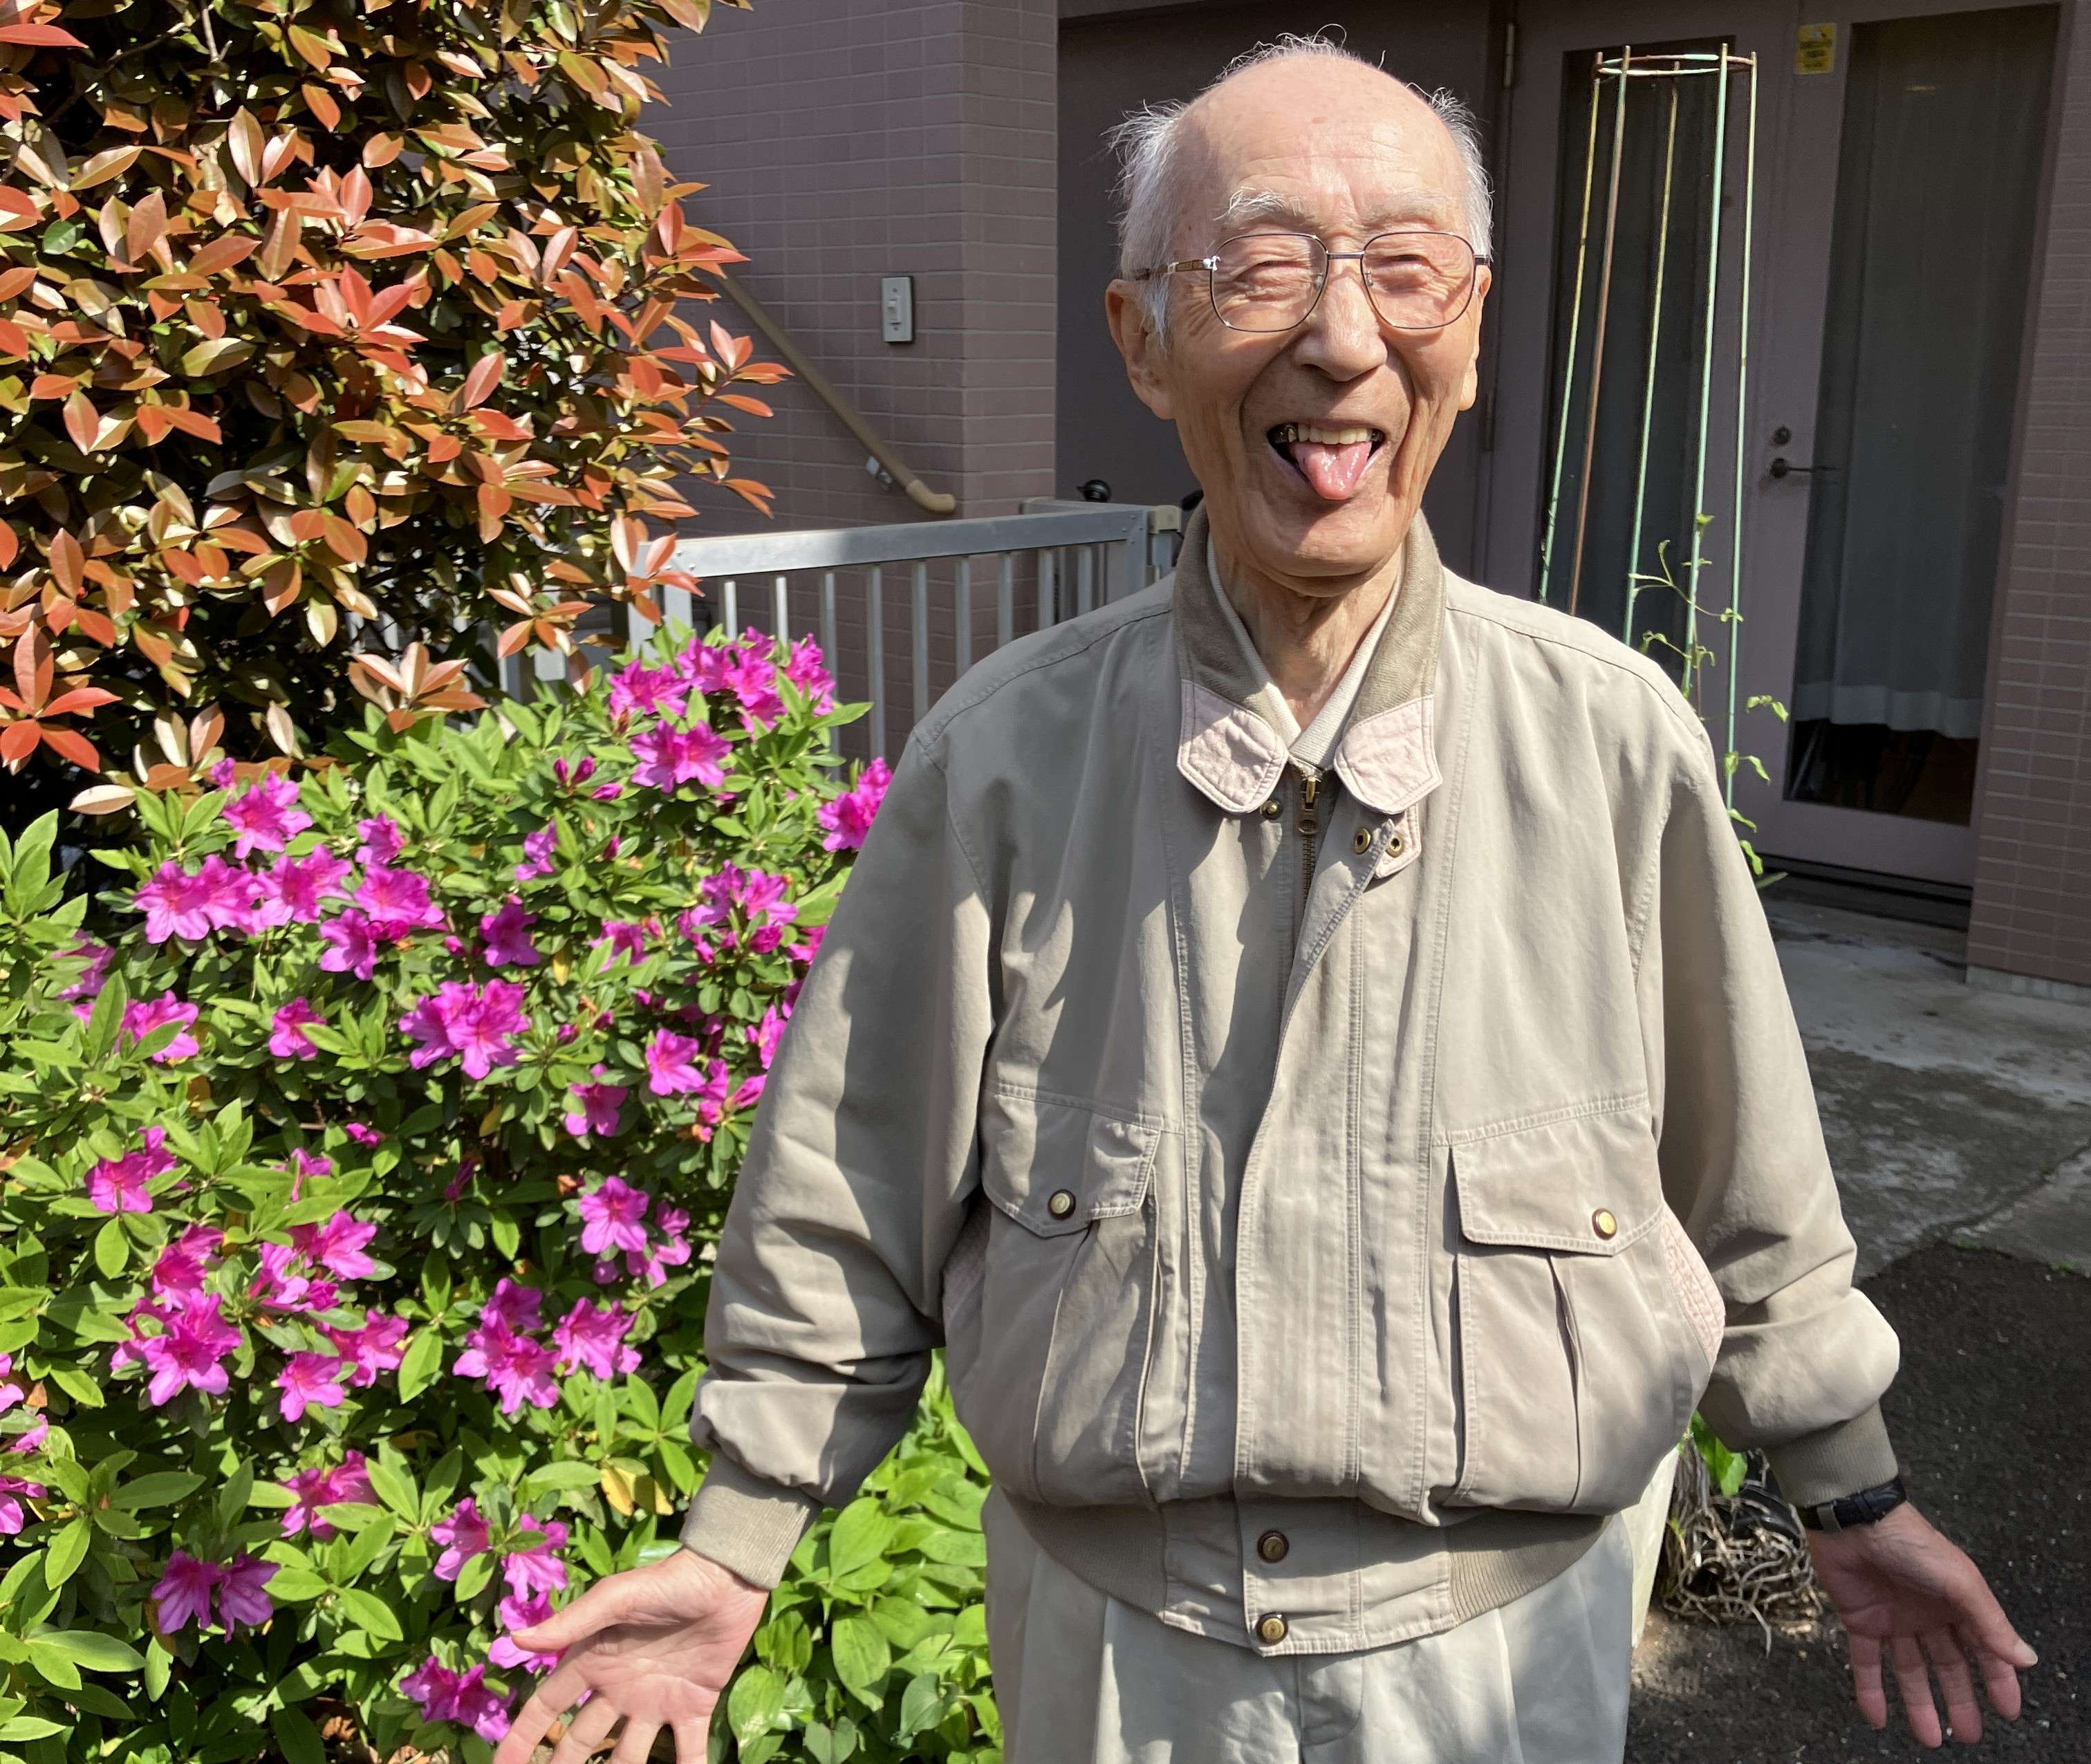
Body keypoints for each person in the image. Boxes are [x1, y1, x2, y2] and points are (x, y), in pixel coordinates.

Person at [492, 36, 2035, 1764]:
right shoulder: (1003, 758)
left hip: (1504, 1654)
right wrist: (735, 1540)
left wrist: (1851, 1489)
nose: (1344, 337)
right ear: (1142, 337)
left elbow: (1749, 1184)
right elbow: (849, 1189)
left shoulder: (1611, 741)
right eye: (1263, 266)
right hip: (1117, 1656)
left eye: (1406, 266)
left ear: (1473, 327)